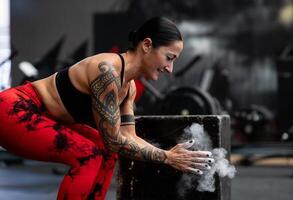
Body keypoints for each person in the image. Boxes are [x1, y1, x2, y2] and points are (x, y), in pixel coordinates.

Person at [0, 17, 213, 200]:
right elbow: (115, 140)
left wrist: (169, 155)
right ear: (147, 45)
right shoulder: (107, 71)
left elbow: (125, 138)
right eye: (169, 58)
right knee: (88, 155)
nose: (169, 68)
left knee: (105, 152)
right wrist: (166, 157)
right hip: (14, 109)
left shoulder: (128, 87)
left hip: (47, 117)